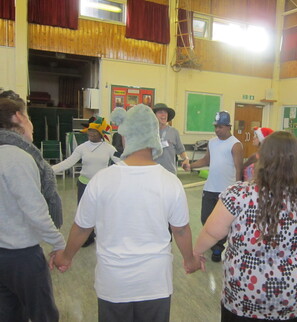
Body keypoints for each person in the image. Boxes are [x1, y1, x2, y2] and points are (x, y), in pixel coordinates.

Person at [51, 104, 203, 322]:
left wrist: (65, 257)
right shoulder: (171, 182)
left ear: (124, 137)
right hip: (155, 283)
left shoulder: (101, 180)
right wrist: (190, 260)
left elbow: (83, 227)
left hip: (113, 283)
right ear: (154, 137)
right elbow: (180, 230)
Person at [193, 131, 297, 321]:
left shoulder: (238, 194)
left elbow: (212, 231)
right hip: (292, 292)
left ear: (261, 157)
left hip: (245, 291)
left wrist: (197, 253)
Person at [0, 96, 65, 322]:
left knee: (8, 313)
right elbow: (35, 211)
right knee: (43, 315)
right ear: (18, 117)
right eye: (28, 117)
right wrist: (59, 244)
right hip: (21, 256)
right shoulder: (17, 157)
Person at [52, 116, 121, 246]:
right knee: (84, 212)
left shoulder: (109, 148)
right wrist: (50, 170)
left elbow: (121, 162)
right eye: (89, 131)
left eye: (94, 131)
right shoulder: (82, 147)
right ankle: (87, 236)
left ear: (101, 133)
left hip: (102, 185)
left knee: (102, 211)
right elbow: (68, 162)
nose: (91, 133)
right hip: (84, 184)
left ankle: (103, 235)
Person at [189, 111, 243, 262]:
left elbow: (239, 168)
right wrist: (191, 165)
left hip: (226, 191)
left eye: (220, 127)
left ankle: (218, 247)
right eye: (215, 127)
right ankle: (213, 242)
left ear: (228, 126)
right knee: (205, 218)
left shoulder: (235, 144)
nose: (217, 130)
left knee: (223, 222)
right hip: (210, 188)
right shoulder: (212, 142)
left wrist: (237, 191)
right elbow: (206, 160)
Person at [153, 103, 190, 174]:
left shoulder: (174, 132)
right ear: (154, 115)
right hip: (153, 172)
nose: (163, 115)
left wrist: (186, 159)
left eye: (165, 112)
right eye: (160, 112)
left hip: (169, 172)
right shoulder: (149, 132)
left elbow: (181, 150)